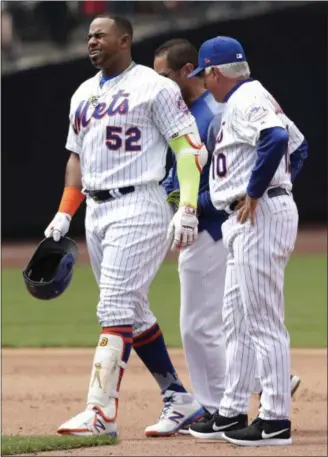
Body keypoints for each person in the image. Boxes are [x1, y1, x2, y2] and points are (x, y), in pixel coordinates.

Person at [44, 14, 209, 438]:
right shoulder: (82, 92)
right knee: (132, 312)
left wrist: (187, 206)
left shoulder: (155, 87)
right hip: (97, 211)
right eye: (88, 36)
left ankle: (101, 413)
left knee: (113, 307)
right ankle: (180, 399)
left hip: (139, 202)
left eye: (100, 35)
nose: (91, 41)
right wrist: (66, 211)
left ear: (125, 39)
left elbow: (189, 147)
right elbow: (75, 157)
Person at [153, 38, 302, 436]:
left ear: (215, 72)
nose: (205, 82)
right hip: (245, 214)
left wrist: (260, 191)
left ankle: (274, 419)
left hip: (257, 212)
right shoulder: (244, 99)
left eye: (205, 74)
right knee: (236, 321)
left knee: (263, 321)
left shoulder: (248, 96)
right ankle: (232, 410)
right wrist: (275, 186)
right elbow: (298, 147)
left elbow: (280, 140)